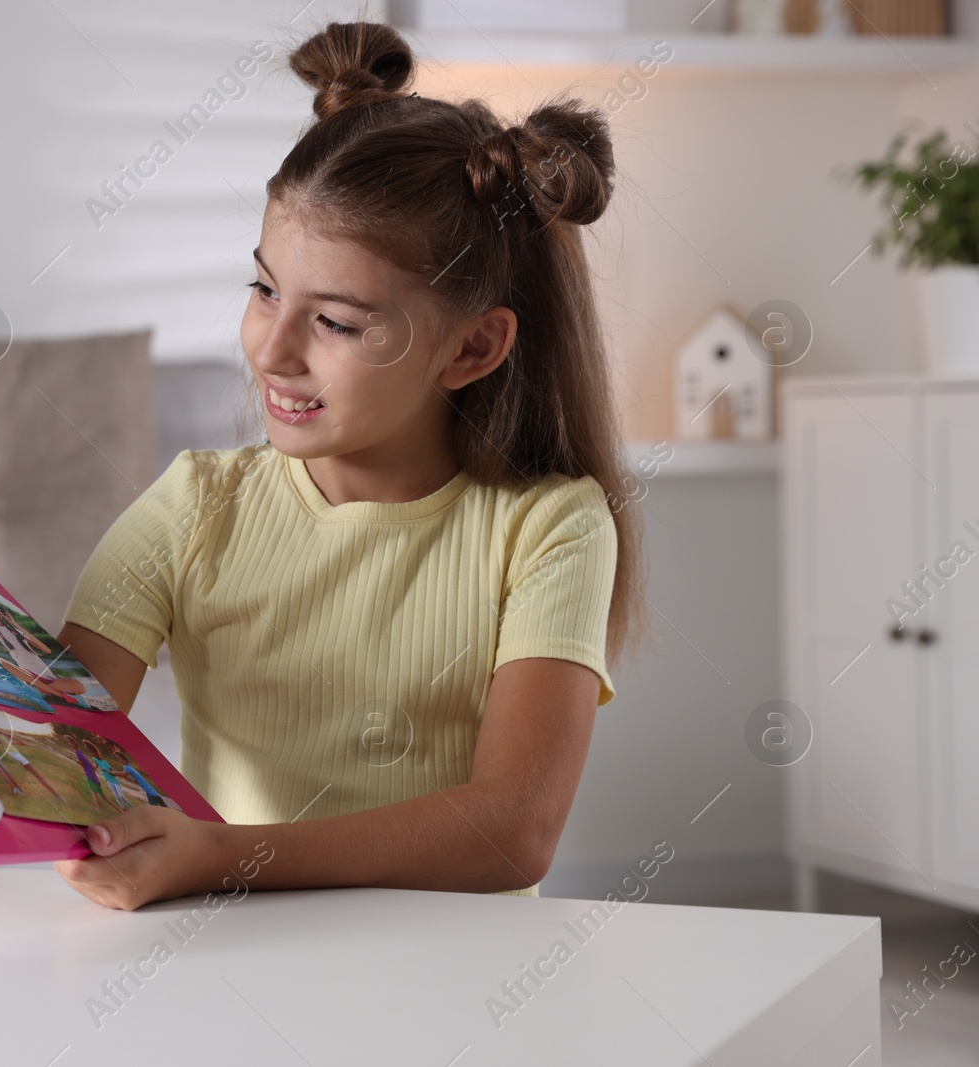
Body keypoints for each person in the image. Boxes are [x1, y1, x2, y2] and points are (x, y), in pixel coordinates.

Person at [49, 22, 640, 910]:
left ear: (473, 346)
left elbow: (513, 831)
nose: (272, 350)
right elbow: (52, 739)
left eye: (336, 321)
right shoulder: (192, 506)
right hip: (240, 968)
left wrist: (221, 856)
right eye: (263, 290)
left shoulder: (550, 525)